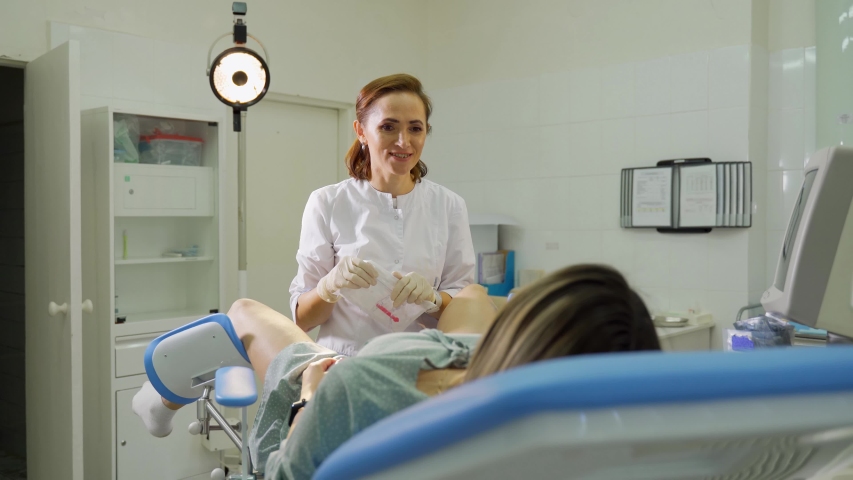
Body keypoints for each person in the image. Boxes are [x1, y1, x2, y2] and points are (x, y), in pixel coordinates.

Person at [132, 264, 661, 479]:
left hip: (337, 378)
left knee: (245, 312)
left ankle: (160, 401)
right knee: (472, 294)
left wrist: (309, 398)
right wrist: (335, 285)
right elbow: (307, 308)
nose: (403, 140)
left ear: (522, 327)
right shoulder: (598, 447)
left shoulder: (358, 387)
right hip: (457, 361)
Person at [290, 73, 476, 356]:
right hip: (345, 366)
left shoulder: (449, 206)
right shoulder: (327, 202)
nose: (404, 142)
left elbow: (466, 308)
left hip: (422, 365)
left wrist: (435, 300)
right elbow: (302, 318)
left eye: (415, 128)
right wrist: (330, 287)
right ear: (361, 131)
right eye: (388, 127)